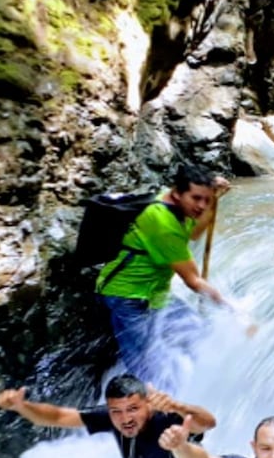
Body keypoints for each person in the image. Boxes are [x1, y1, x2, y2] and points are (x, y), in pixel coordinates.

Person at [96, 163, 231, 393]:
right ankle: (155, 417)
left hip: (155, 294)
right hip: (127, 297)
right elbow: (194, 282)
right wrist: (233, 307)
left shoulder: (175, 205)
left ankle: (191, 391)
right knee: (149, 371)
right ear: (177, 193)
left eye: (205, 200)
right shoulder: (162, 223)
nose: (201, 206)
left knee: (200, 333)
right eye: (196, 198)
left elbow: (195, 232)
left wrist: (214, 199)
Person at [0, 374, 216, 458]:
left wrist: (178, 405)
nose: (124, 418)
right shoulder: (110, 417)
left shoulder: (168, 416)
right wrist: (23, 407)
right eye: (116, 411)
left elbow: (208, 422)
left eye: (133, 408)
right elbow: (59, 417)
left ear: (148, 403)